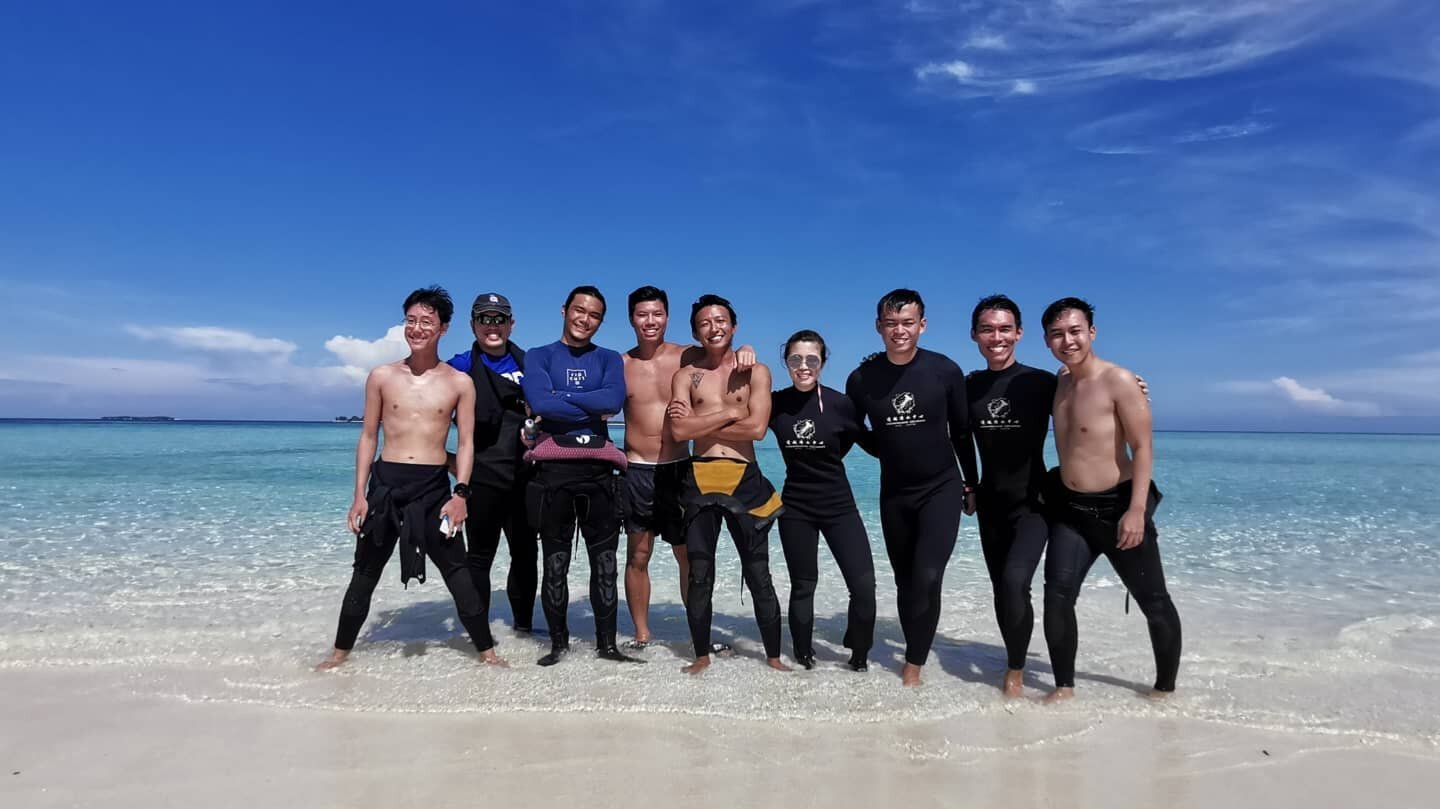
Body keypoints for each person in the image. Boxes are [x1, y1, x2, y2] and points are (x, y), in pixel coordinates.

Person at [318, 286, 503, 669]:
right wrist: (359, 495)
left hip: (434, 489)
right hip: (385, 486)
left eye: (427, 322)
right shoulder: (382, 377)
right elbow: (369, 435)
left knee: (459, 574)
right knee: (365, 573)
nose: (417, 329)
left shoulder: (458, 383)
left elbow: (466, 443)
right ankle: (338, 656)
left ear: (444, 328)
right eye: (412, 321)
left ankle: (487, 654)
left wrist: (461, 495)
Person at [1039, 297, 1181, 701]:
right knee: (1057, 596)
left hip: (1118, 508)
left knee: (1153, 601)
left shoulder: (1119, 380)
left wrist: (1137, 510)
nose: (1067, 340)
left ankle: (1164, 689)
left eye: (1075, 331)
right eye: (1057, 334)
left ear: (1091, 333)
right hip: (1070, 510)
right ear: (1047, 340)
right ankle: (1064, 687)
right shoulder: (1061, 382)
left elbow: (1144, 447)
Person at [845, 288, 979, 687]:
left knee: (928, 575)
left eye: (907, 323)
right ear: (878, 327)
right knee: (905, 580)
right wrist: (886, 449)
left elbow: (962, 430)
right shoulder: (862, 379)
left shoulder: (945, 370)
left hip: (941, 485)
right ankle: (913, 642)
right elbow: (854, 431)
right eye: (891, 323)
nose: (899, 330)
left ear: (922, 325)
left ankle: (914, 664)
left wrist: (971, 482)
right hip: (895, 492)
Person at [619, 285, 755, 649]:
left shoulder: (687, 356)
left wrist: (745, 351)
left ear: (667, 317)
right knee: (639, 554)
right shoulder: (621, 365)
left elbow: (721, 348)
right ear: (632, 318)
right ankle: (642, 634)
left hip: (681, 467)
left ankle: (698, 635)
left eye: (657, 314)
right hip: (637, 469)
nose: (650, 321)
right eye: (642, 314)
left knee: (688, 555)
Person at [520, 285, 641, 666]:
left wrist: (561, 399)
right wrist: (581, 406)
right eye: (579, 310)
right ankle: (559, 644)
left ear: (601, 321)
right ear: (564, 310)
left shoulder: (608, 358)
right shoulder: (539, 356)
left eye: (594, 315)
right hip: (553, 474)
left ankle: (607, 645)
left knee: (605, 564)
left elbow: (612, 402)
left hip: (600, 474)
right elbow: (539, 402)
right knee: (554, 564)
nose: (584, 319)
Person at [668, 294, 788, 675]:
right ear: (696, 333)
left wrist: (707, 419)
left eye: (721, 320)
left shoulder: (757, 372)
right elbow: (678, 429)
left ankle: (772, 657)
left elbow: (757, 428)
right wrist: (734, 410)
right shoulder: (687, 376)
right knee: (700, 573)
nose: (714, 327)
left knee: (758, 573)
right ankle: (701, 655)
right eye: (705, 323)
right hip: (699, 476)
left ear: (734, 327)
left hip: (745, 479)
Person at [769, 329, 876, 671]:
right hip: (796, 507)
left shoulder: (840, 404)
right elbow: (739, 414)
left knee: (863, 586)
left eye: (811, 359)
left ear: (823, 362)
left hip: (839, 506)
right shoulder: (776, 404)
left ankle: (858, 654)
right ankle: (803, 655)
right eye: (795, 359)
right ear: (786, 362)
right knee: (804, 585)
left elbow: (867, 444)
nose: (803, 366)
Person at [966, 295, 1057, 697]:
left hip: (1034, 502)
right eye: (987, 329)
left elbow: (1091, 406)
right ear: (975, 335)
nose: (996, 337)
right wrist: (967, 482)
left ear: (1019, 333)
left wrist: (1131, 385)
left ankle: (1017, 670)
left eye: (1004, 328)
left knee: (1016, 581)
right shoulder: (969, 386)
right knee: (1002, 588)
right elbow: (951, 435)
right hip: (990, 504)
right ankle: (1012, 654)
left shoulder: (1041, 382)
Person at [445, 292, 538, 635]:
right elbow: (427, 415)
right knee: (479, 558)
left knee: (526, 557)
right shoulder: (459, 366)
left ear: (511, 324)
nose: (492, 326)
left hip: (525, 477)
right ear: (473, 325)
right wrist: (447, 460)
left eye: (499, 319)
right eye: (485, 319)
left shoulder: (531, 365)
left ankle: (524, 629)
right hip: (482, 478)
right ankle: (479, 635)